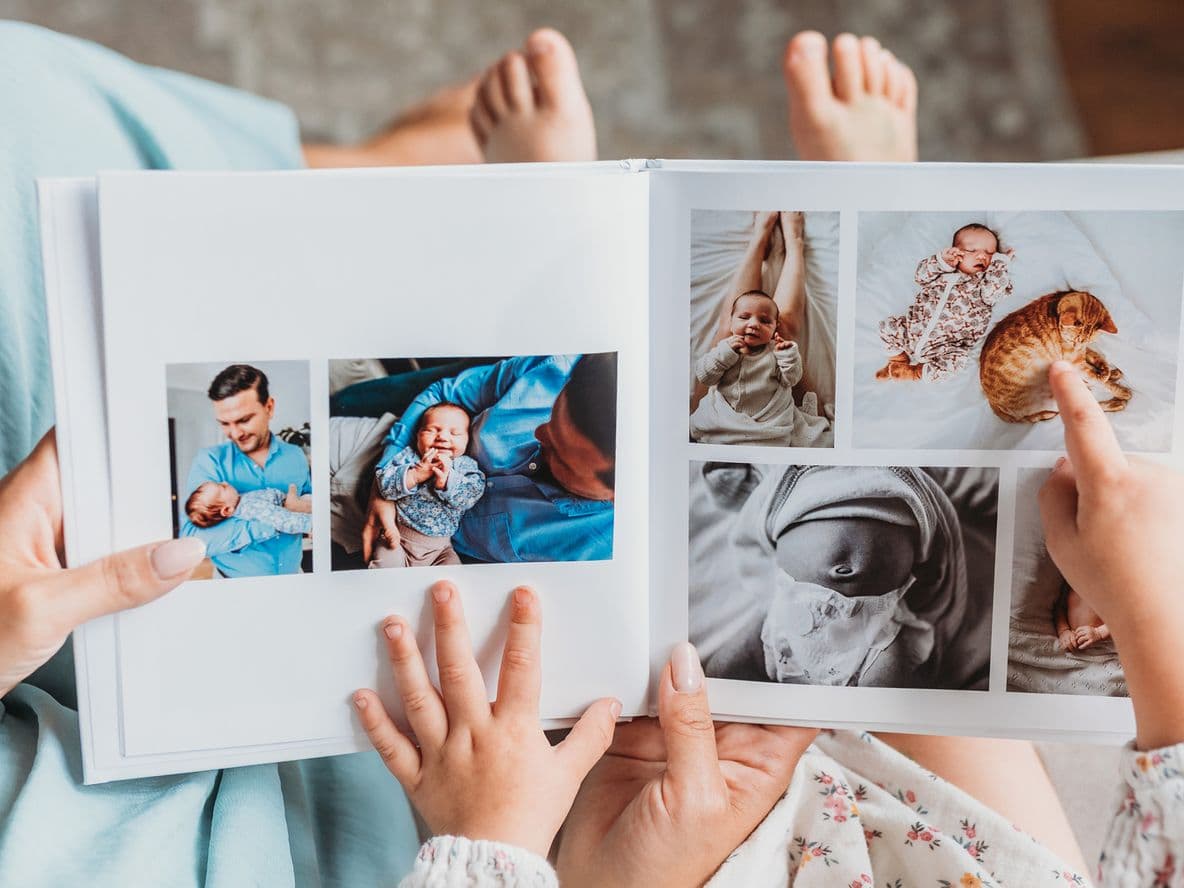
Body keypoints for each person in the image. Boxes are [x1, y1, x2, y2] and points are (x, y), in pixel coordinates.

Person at [352, 361, 1183, 887]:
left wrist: (488, 848)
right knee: (935, 684)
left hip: (647, 855)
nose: (826, 596)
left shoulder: (582, 527)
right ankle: (912, 365)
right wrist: (1155, 615)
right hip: (970, 856)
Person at [363, 352, 617, 564]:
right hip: (386, 440)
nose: (539, 434)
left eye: (561, 454)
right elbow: (443, 394)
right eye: (551, 418)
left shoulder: (599, 553)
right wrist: (385, 481)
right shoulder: (555, 370)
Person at [179, 364, 313, 577]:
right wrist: (271, 521)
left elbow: (311, 503)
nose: (234, 433)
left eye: (244, 420)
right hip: (233, 588)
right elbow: (192, 538)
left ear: (269, 407)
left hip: (296, 577)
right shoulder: (209, 461)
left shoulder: (295, 455)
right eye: (225, 423)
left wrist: (304, 506)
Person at [689, 289, 832, 447]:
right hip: (724, 423)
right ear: (730, 323)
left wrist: (788, 356)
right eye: (744, 317)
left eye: (764, 321)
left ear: (774, 329)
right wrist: (725, 353)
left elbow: (791, 379)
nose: (754, 324)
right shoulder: (724, 349)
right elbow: (705, 376)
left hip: (767, 426)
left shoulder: (775, 353)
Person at [876, 223, 1015, 382]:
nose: (982, 256)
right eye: (972, 250)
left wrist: (1000, 263)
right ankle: (898, 362)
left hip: (946, 347)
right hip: (911, 331)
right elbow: (920, 276)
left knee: (958, 362)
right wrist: (941, 261)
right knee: (887, 326)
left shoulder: (984, 287)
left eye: (990, 253)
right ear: (955, 251)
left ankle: (915, 373)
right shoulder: (941, 272)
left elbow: (995, 290)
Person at [369, 402, 485, 569]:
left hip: (441, 550)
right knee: (386, 569)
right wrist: (415, 475)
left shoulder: (465, 466)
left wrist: (448, 481)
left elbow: (471, 496)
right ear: (417, 436)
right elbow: (384, 485)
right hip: (398, 540)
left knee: (452, 574)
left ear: (467, 441)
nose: (443, 437)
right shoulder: (408, 458)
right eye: (432, 430)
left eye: (455, 433)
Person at [186, 480, 312, 535]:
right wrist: (310, 525)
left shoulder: (240, 500)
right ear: (227, 510)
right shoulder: (251, 508)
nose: (224, 482)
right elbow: (281, 519)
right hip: (292, 507)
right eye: (222, 487)